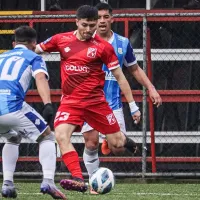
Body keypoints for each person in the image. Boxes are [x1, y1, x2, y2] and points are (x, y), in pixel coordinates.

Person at [36, 5, 141, 193]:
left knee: (116, 144)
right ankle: (78, 178)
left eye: (92, 26)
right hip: (71, 102)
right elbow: (36, 49)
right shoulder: (61, 40)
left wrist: (133, 105)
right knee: (60, 135)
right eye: (84, 25)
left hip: (96, 103)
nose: (88, 30)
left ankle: (125, 140)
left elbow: (120, 76)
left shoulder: (103, 47)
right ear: (76, 22)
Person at [81, 2, 162, 194]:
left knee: (117, 147)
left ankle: (110, 140)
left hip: (113, 104)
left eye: (105, 17)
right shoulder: (85, 41)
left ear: (111, 19)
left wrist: (151, 88)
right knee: (90, 142)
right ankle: (94, 184)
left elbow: (134, 69)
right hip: (90, 102)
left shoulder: (122, 43)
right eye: (98, 17)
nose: (101, 21)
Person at [0, 26, 66, 199]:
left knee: (13, 138)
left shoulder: (1, 56)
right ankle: (49, 181)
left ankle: (7, 184)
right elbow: (40, 78)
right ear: (34, 43)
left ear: (14, 43)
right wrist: (47, 104)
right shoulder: (33, 56)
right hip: (12, 107)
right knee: (47, 136)